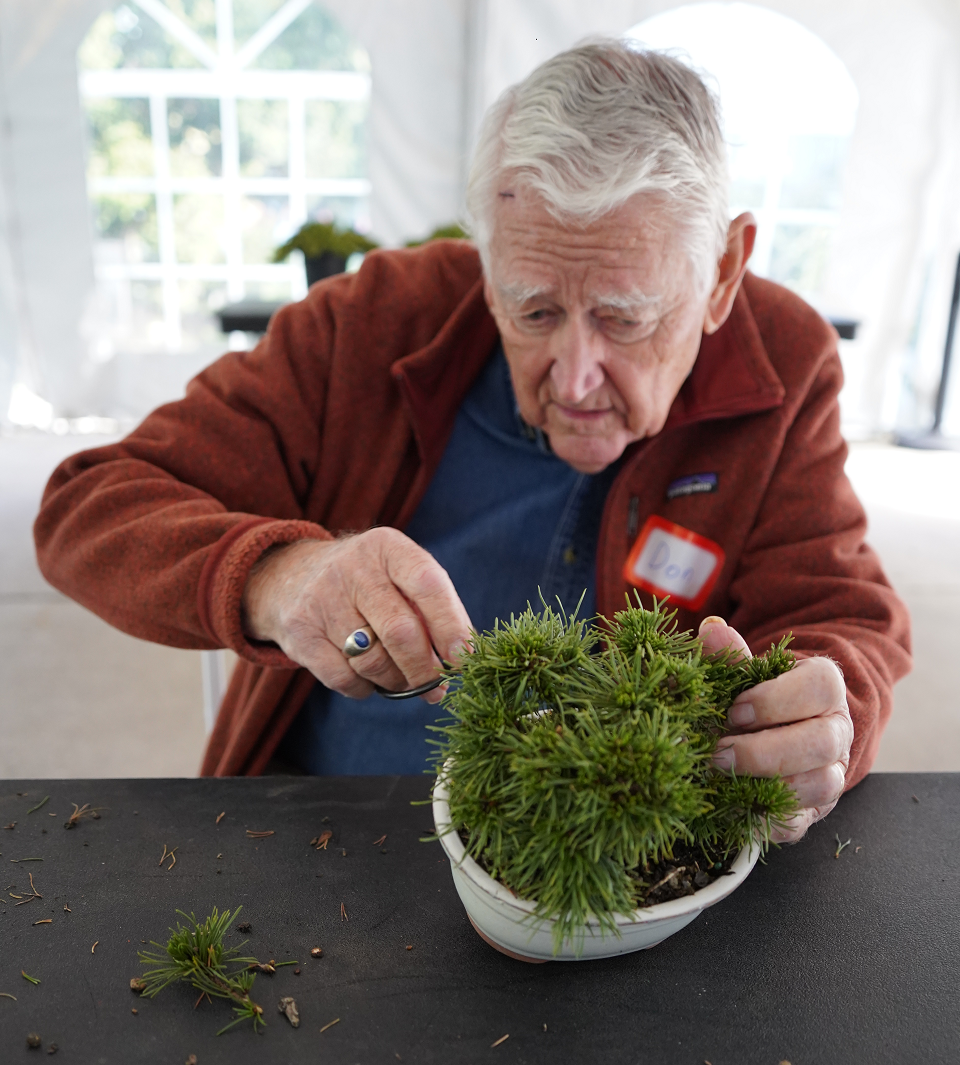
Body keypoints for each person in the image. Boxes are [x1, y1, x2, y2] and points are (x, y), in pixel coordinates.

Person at [35, 41, 910, 841]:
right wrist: (279, 577)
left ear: (721, 274)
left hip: (608, 861)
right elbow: (88, 506)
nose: (574, 378)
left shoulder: (782, 359)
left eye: (624, 318)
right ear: (485, 264)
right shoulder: (369, 323)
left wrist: (822, 715)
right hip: (321, 824)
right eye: (533, 311)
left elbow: (842, 613)